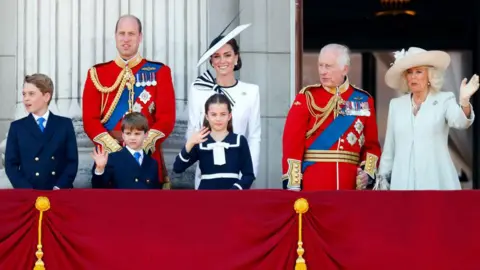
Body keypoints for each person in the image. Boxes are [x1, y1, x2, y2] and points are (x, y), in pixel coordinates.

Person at [82, 15, 175, 189]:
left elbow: (166, 118)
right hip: (109, 159)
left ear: (140, 37)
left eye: (131, 34)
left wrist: (140, 146)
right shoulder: (97, 74)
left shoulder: (159, 72)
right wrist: (118, 152)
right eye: (122, 33)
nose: (126, 39)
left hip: (147, 158)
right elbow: (90, 120)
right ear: (115, 36)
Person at [281, 43, 382, 191]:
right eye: (320, 65)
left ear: (344, 69)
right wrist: (293, 185)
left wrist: (367, 173)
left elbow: (371, 145)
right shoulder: (307, 98)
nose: (323, 71)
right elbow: (292, 144)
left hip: (351, 186)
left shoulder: (363, 100)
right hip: (313, 183)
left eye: (328, 66)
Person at [377, 47, 478, 190]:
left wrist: (464, 102)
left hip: (435, 181)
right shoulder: (396, 105)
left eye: (418, 72)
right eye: (409, 72)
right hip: (402, 184)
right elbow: (389, 148)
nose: (413, 77)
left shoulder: (444, 99)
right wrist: (383, 182)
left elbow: (461, 121)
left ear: (430, 76)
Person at [187, 20, 260, 189]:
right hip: (206, 175)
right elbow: (192, 128)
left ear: (236, 57)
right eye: (216, 56)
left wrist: (249, 176)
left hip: (239, 177)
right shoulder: (198, 89)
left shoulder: (251, 92)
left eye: (227, 55)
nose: (222, 61)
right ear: (211, 61)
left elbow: (254, 137)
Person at [5, 74, 78, 190]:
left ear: (46, 96)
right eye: (24, 94)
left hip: (58, 193)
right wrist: (26, 190)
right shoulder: (17, 127)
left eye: (31, 94)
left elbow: (72, 161)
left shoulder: (64, 125)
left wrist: (59, 186)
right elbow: (11, 165)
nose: (26, 98)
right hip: (28, 193)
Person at [174, 94, 255, 190]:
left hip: (232, 199)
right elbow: (177, 168)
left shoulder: (239, 141)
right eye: (213, 114)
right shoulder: (200, 141)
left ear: (229, 116)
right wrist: (190, 143)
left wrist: (235, 190)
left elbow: (249, 175)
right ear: (207, 116)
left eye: (223, 114)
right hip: (206, 198)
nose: (218, 119)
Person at [91, 112, 161, 189]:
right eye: (128, 133)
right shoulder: (112, 159)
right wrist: (100, 169)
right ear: (123, 135)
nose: (132, 138)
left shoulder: (152, 163)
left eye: (137, 134)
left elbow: (155, 193)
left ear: (146, 135)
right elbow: (98, 188)